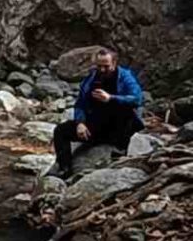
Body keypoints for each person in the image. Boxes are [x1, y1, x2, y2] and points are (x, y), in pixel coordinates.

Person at [53, 45, 144, 179]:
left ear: (114, 63)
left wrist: (111, 98)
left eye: (106, 66)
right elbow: (80, 104)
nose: (102, 70)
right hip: (95, 127)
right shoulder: (91, 78)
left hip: (120, 129)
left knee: (125, 109)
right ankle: (65, 168)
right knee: (60, 130)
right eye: (99, 66)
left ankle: (120, 151)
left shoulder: (125, 77)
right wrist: (80, 123)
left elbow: (137, 99)